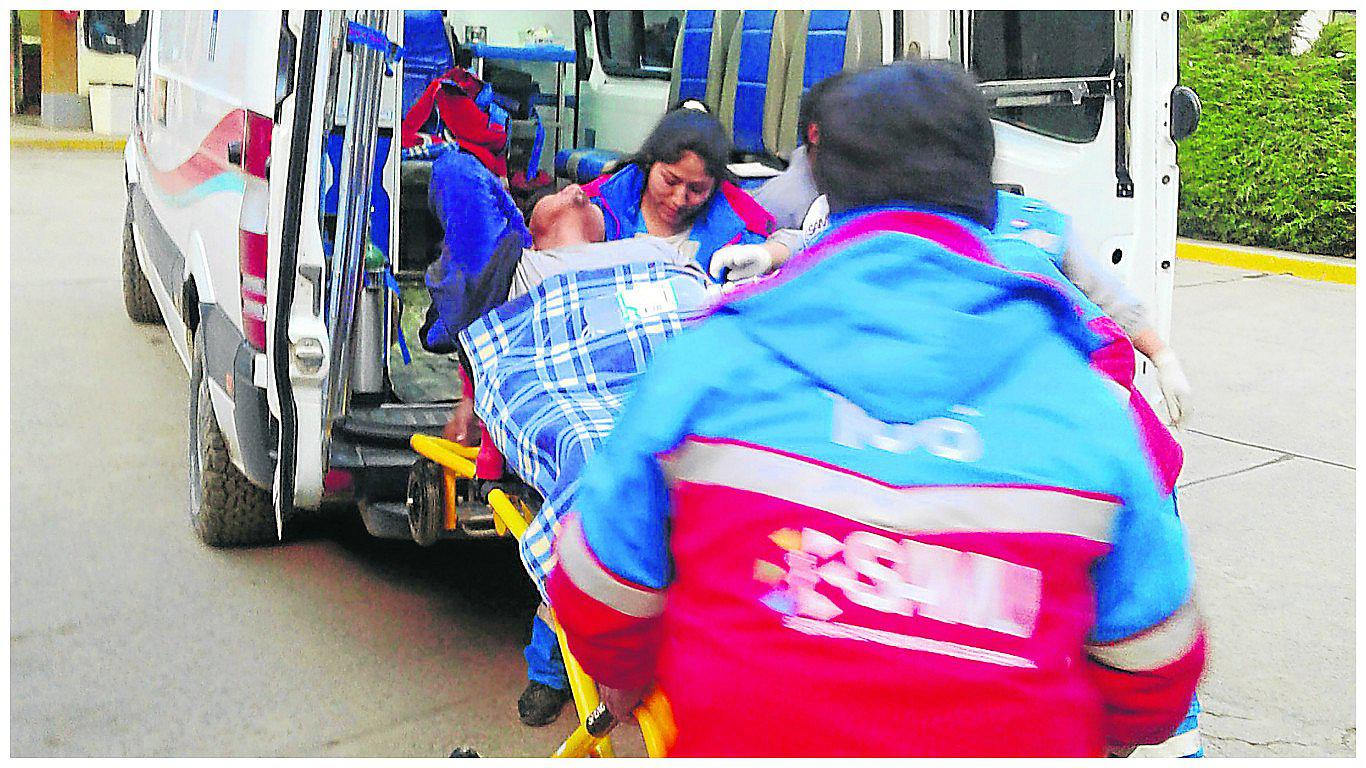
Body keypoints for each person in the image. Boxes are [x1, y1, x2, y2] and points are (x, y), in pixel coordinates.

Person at [546, 61, 1205, 756]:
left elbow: (600, 599)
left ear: (829, 185)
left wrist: (648, 676)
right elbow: (1156, 676)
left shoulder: (707, 364)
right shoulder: (1085, 406)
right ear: (982, 186)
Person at [580, 107, 775, 277]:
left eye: (697, 189)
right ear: (649, 163)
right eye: (670, 181)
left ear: (715, 185)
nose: (679, 200)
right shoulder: (596, 209)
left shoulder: (738, 234)